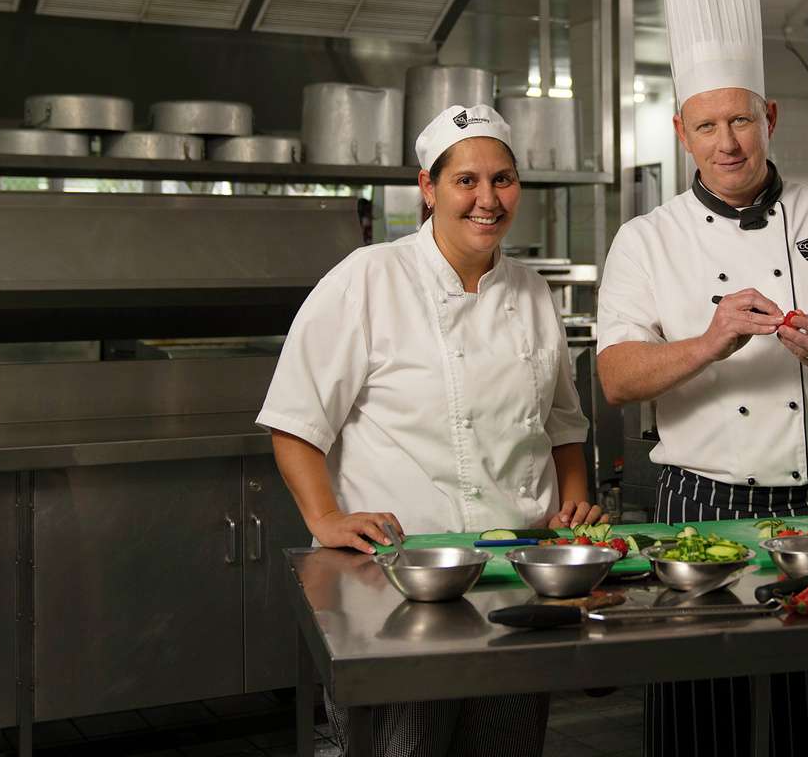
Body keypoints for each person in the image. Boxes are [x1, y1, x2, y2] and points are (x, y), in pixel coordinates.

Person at [597, 0, 808, 757]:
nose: (728, 142)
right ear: (682, 134)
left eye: (741, 120)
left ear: (769, 118)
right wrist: (709, 342)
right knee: (701, 719)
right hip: (699, 506)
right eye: (707, 127)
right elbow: (614, 379)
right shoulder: (647, 239)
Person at [257, 102, 600, 757]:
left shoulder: (531, 292)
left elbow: (561, 422)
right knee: (402, 745)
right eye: (465, 180)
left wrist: (573, 502)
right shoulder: (368, 278)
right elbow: (295, 420)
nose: (487, 200)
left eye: (502, 179)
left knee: (508, 744)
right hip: (401, 578)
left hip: (515, 572)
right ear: (428, 187)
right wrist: (326, 516)